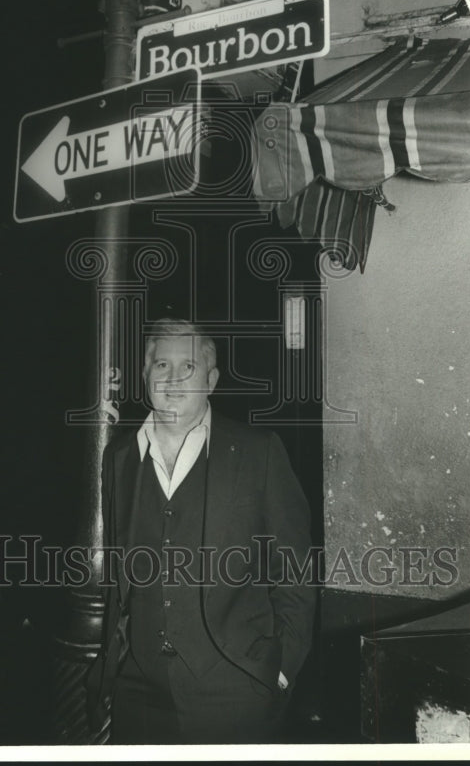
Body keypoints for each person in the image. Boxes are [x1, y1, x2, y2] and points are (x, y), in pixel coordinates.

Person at [86, 318, 316, 744]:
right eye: (160, 366)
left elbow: (296, 574)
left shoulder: (258, 452)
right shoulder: (118, 457)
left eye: (187, 368)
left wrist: (281, 670)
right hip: (138, 691)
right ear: (144, 376)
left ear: (211, 379)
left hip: (235, 690)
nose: (172, 380)